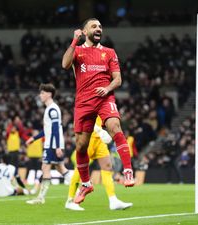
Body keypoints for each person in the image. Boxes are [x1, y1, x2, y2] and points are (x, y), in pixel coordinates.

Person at [62, 18, 134, 204]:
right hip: (83, 102)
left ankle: (127, 170)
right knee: (81, 146)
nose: (98, 29)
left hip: (104, 98)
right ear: (85, 32)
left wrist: (108, 89)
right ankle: (86, 184)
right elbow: (65, 65)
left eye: (100, 26)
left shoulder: (109, 52)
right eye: (94, 26)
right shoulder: (77, 51)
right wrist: (73, 42)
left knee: (114, 125)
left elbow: (118, 79)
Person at [65, 116, 133, 211]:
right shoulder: (87, 101)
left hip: (99, 140)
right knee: (80, 169)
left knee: (107, 166)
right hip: (88, 136)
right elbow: (84, 115)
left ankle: (113, 200)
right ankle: (70, 200)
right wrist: (99, 130)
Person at [25, 83, 71, 204]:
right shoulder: (50, 109)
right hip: (53, 143)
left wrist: (56, 147)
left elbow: (55, 128)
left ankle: (41, 198)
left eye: (42, 93)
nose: (40, 95)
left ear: (49, 94)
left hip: (52, 144)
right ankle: (79, 189)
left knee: (45, 167)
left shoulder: (53, 109)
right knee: (61, 168)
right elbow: (47, 130)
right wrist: (34, 138)